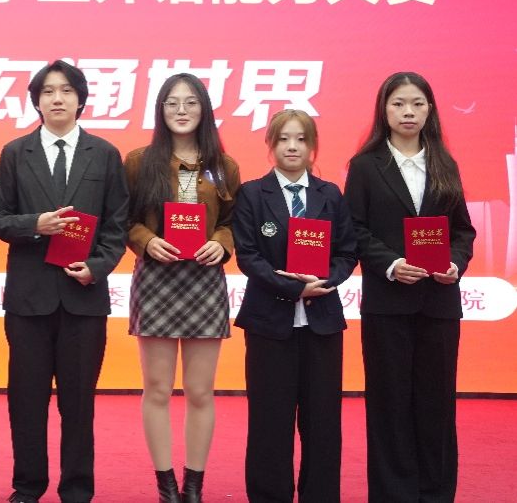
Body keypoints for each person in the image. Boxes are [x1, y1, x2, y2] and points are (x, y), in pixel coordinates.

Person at [0, 61, 128, 503]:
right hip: (29, 300)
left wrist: (98, 267)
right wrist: (35, 224)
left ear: (81, 99)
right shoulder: (16, 152)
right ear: (37, 101)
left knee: (79, 403)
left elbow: (117, 225)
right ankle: (27, 487)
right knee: (26, 401)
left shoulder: (104, 154)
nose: (57, 98)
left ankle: (77, 489)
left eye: (66, 90)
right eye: (48, 91)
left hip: (83, 297)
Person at [344, 72, 475, 502]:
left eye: (417, 104)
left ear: (429, 110)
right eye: (399, 103)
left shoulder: (444, 163)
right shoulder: (365, 166)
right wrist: (391, 264)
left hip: (439, 303)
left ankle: (435, 493)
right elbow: (354, 229)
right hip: (387, 305)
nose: (408, 112)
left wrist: (455, 262)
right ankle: (393, 494)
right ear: (384, 110)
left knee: (437, 403)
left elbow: (463, 231)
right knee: (389, 403)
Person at [123, 73, 239, 503]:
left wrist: (221, 243)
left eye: (190, 102)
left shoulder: (224, 166)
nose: (181, 110)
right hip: (157, 278)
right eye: (172, 103)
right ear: (161, 110)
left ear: (204, 109)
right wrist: (146, 240)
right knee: (156, 388)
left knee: (200, 391)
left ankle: (194, 485)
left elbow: (234, 223)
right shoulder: (139, 161)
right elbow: (123, 219)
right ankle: (166, 485)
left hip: (204, 281)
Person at [232, 109, 357, 503]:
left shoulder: (329, 194)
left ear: (312, 145)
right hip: (269, 323)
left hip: (322, 324)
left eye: (301, 139)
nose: (292, 146)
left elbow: (347, 252)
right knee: (270, 419)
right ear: (270, 144)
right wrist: (291, 288)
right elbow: (248, 256)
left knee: (323, 420)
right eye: (284, 138)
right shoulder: (253, 193)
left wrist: (325, 282)